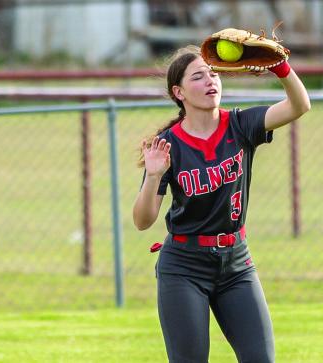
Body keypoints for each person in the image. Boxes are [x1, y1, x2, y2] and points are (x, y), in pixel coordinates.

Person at [133, 44, 310, 363]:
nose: (210, 80)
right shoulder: (167, 145)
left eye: (214, 73)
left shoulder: (240, 125)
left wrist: (280, 69)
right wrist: (154, 176)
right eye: (198, 76)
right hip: (184, 266)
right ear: (179, 92)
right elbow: (143, 220)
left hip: (236, 263)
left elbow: (299, 106)